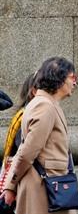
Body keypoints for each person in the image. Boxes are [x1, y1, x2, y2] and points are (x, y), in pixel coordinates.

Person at [1, 57, 78, 213]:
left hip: (49, 187)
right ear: (59, 78)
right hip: (43, 189)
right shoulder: (44, 105)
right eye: (72, 77)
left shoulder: (46, 103)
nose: (75, 83)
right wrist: (11, 186)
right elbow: (27, 151)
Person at [0, 74, 37, 214]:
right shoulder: (26, 116)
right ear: (34, 91)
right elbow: (22, 153)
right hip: (19, 181)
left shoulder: (24, 114)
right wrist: (11, 187)